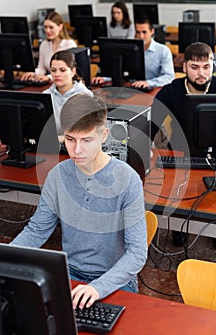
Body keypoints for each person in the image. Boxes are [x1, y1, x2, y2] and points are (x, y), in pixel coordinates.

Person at [10, 94, 148, 309]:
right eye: (70, 139)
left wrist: (97, 287)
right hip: (69, 273)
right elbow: (37, 231)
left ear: (104, 135)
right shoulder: (58, 175)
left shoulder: (128, 180)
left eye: (86, 140)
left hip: (114, 279)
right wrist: (2, 260)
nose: (76, 150)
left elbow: (137, 254)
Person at [151, 41, 216, 249]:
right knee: (181, 189)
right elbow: (151, 124)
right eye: (195, 67)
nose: (201, 73)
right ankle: (180, 226)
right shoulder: (170, 92)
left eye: (206, 67)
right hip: (181, 154)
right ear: (184, 68)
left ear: (212, 67)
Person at [92, 17, 175, 88]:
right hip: (131, 88)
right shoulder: (130, 48)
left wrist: (148, 83)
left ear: (152, 31)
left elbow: (169, 77)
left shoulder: (163, 50)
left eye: (144, 32)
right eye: (138, 32)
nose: (141, 36)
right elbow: (122, 71)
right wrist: (105, 78)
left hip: (152, 90)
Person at [43, 49, 93, 136]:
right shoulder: (46, 95)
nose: (57, 74)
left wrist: (56, 139)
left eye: (62, 70)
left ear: (73, 72)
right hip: (50, 145)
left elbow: (84, 133)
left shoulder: (85, 95)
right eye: (53, 70)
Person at [21, 11, 77, 83]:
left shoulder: (69, 44)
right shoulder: (44, 44)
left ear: (60, 26)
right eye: (45, 27)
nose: (47, 30)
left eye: (51, 27)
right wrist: (34, 73)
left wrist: (49, 78)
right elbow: (42, 68)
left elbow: (68, 72)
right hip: (51, 85)